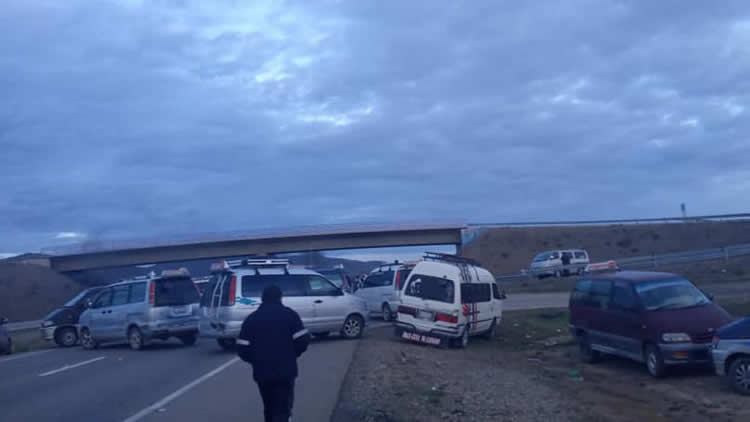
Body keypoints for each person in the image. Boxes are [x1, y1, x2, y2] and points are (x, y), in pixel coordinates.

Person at [236, 285, 311, 422]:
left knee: (269, 407)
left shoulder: (251, 319)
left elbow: (242, 348)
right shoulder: (289, 315)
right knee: (282, 408)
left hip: (262, 372)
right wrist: (292, 354)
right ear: (280, 297)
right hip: (285, 370)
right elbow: (303, 340)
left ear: (262, 299)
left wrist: (255, 360)